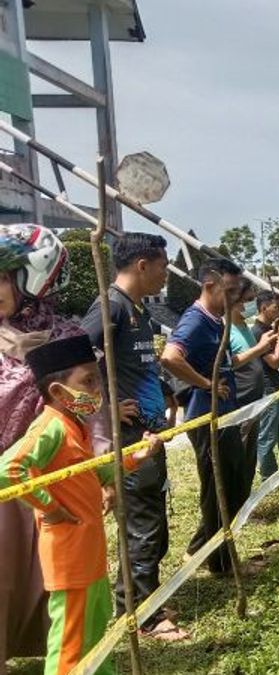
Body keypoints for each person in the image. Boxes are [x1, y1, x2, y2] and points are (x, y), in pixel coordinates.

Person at [0, 334, 164, 675]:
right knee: (69, 644)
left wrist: (137, 456)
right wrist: (49, 506)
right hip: (68, 556)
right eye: (87, 381)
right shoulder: (50, 428)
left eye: (97, 378)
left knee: (96, 631)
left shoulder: (76, 426)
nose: (96, 388)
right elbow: (9, 469)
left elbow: (95, 473)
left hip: (89, 552)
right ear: (59, 392)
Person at [80, 232, 188, 641]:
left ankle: (138, 599)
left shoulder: (137, 311)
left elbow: (139, 367)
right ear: (142, 265)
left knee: (152, 518)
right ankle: (145, 616)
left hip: (149, 433)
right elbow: (66, 365)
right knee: (143, 522)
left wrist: (166, 394)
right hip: (127, 439)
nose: (166, 274)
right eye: (163, 266)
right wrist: (101, 409)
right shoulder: (108, 308)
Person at [0, 224, 74, 672]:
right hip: (2, 479)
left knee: (50, 577)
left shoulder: (65, 338)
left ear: (32, 276)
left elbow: (89, 404)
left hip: (50, 476)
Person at [160, 257, 248, 575]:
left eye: (238, 291)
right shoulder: (196, 320)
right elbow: (170, 357)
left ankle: (208, 550)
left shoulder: (216, 318)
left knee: (234, 485)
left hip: (225, 416)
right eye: (230, 290)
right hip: (206, 419)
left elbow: (225, 361)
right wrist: (207, 384)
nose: (235, 298)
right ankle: (219, 562)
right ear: (209, 285)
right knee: (219, 491)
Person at [227, 278, 279, 487]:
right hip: (242, 402)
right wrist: (261, 348)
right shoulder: (226, 330)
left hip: (256, 399)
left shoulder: (244, 327)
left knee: (250, 455)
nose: (249, 305)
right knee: (239, 456)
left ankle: (245, 498)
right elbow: (227, 365)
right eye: (246, 300)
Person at [251, 291, 279, 479]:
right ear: (263, 308)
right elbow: (274, 362)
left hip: (276, 386)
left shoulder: (268, 329)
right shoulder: (258, 333)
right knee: (267, 436)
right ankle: (269, 477)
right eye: (275, 307)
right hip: (267, 387)